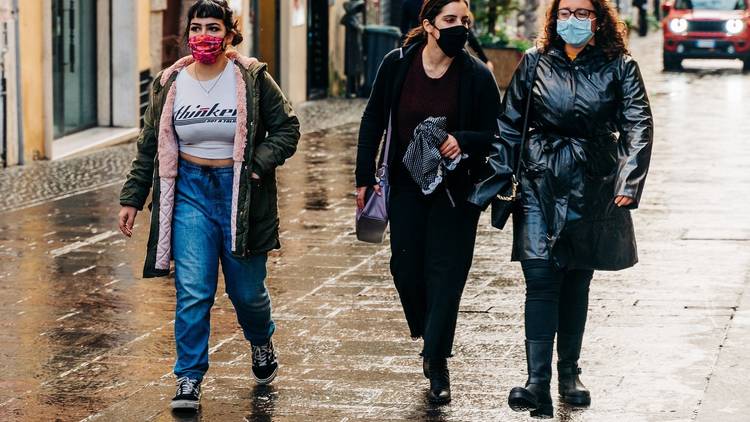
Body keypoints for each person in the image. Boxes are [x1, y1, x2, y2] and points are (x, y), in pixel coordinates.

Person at [117, 0, 300, 411]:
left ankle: (261, 340)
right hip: (189, 193)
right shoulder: (171, 83)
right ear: (187, 35)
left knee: (247, 293)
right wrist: (132, 197)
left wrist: (256, 165)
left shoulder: (251, 79)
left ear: (230, 35)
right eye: (197, 27)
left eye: (213, 28)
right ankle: (188, 377)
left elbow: (288, 128)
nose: (204, 36)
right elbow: (149, 146)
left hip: (241, 196)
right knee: (194, 291)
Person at [494, 0, 653, 417]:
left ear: (598, 20)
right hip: (539, 179)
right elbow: (510, 122)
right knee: (541, 278)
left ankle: (569, 371)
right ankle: (536, 381)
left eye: (582, 13)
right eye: (565, 12)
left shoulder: (620, 66)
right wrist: (498, 178)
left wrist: (629, 180)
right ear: (554, 18)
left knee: (577, 280)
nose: (572, 20)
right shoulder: (534, 62)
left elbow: (638, 122)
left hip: (591, 182)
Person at [355, 0, 501, 404]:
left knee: (446, 274)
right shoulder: (397, 63)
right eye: (450, 20)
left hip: (457, 193)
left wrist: (463, 140)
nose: (460, 28)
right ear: (429, 25)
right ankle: (427, 327)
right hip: (405, 186)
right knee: (405, 265)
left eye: (464, 21)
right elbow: (373, 117)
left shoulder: (475, 74)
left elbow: (497, 131)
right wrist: (363, 177)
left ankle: (436, 359)